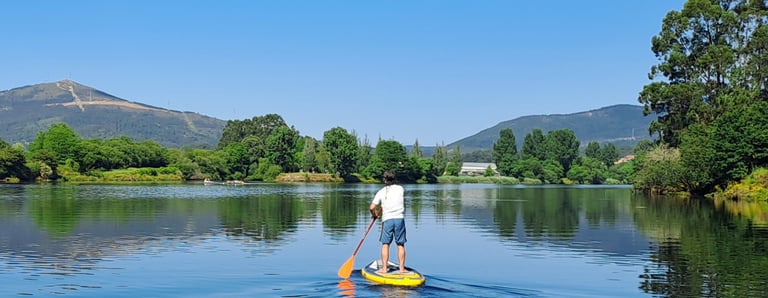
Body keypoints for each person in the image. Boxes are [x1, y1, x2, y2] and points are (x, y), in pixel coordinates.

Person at [369, 170, 410, 274]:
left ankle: (384, 269)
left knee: (385, 244)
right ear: (394, 179)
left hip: (387, 220)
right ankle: (402, 269)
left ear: (384, 179)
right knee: (400, 244)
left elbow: (372, 207)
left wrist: (374, 215)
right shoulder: (400, 189)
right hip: (399, 219)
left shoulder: (381, 192)